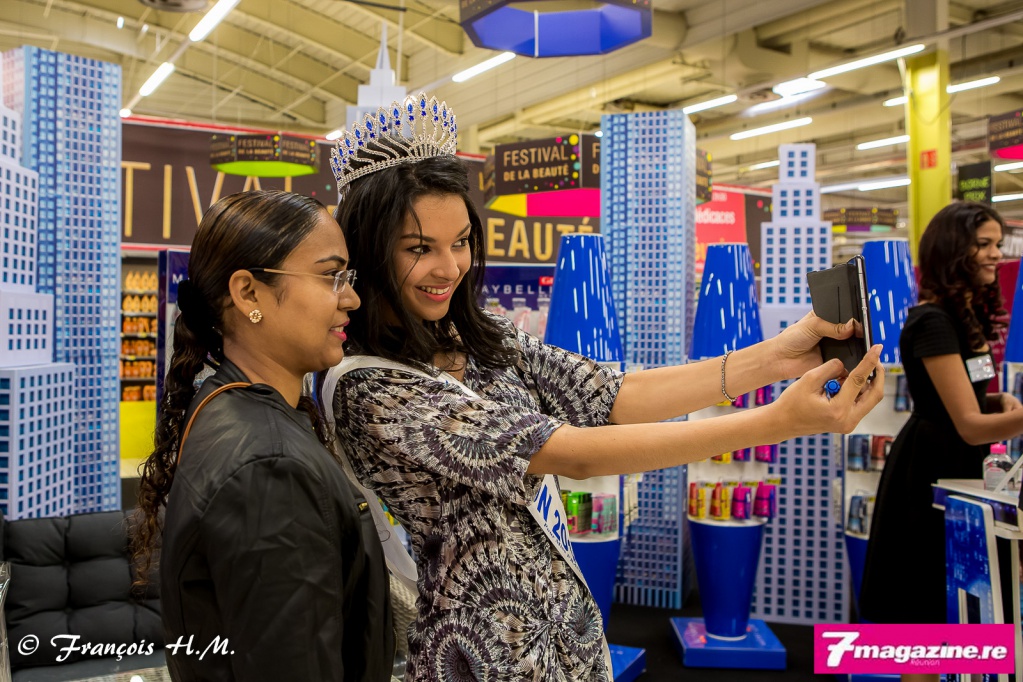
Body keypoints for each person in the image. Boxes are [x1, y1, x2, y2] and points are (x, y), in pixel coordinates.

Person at [321, 93, 884, 681]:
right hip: (482, 659)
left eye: (460, 241)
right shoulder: (370, 387)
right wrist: (776, 423)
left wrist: (777, 357)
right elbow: (570, 453)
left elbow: (611, 395)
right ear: (371, 250)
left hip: (569, 640)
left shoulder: (475, 335)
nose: (449, 267)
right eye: (419, 249)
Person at [132, 190, 394, 681]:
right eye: (330, 276)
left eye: (348, 278)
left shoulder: (224, 403)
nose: (351, 298)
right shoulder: (272, 468)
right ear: (249, 293)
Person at [860, 202, 1023, 642]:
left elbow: (967, 397)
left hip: (960, 470)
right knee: (926, 617)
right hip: (931, 474)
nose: (996, 254)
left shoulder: (962, 318)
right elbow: (967, 423)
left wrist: (997, 402)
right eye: (983, 244)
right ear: (953, 250)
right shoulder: (933, 322)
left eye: (997, 244)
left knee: (959, 616)